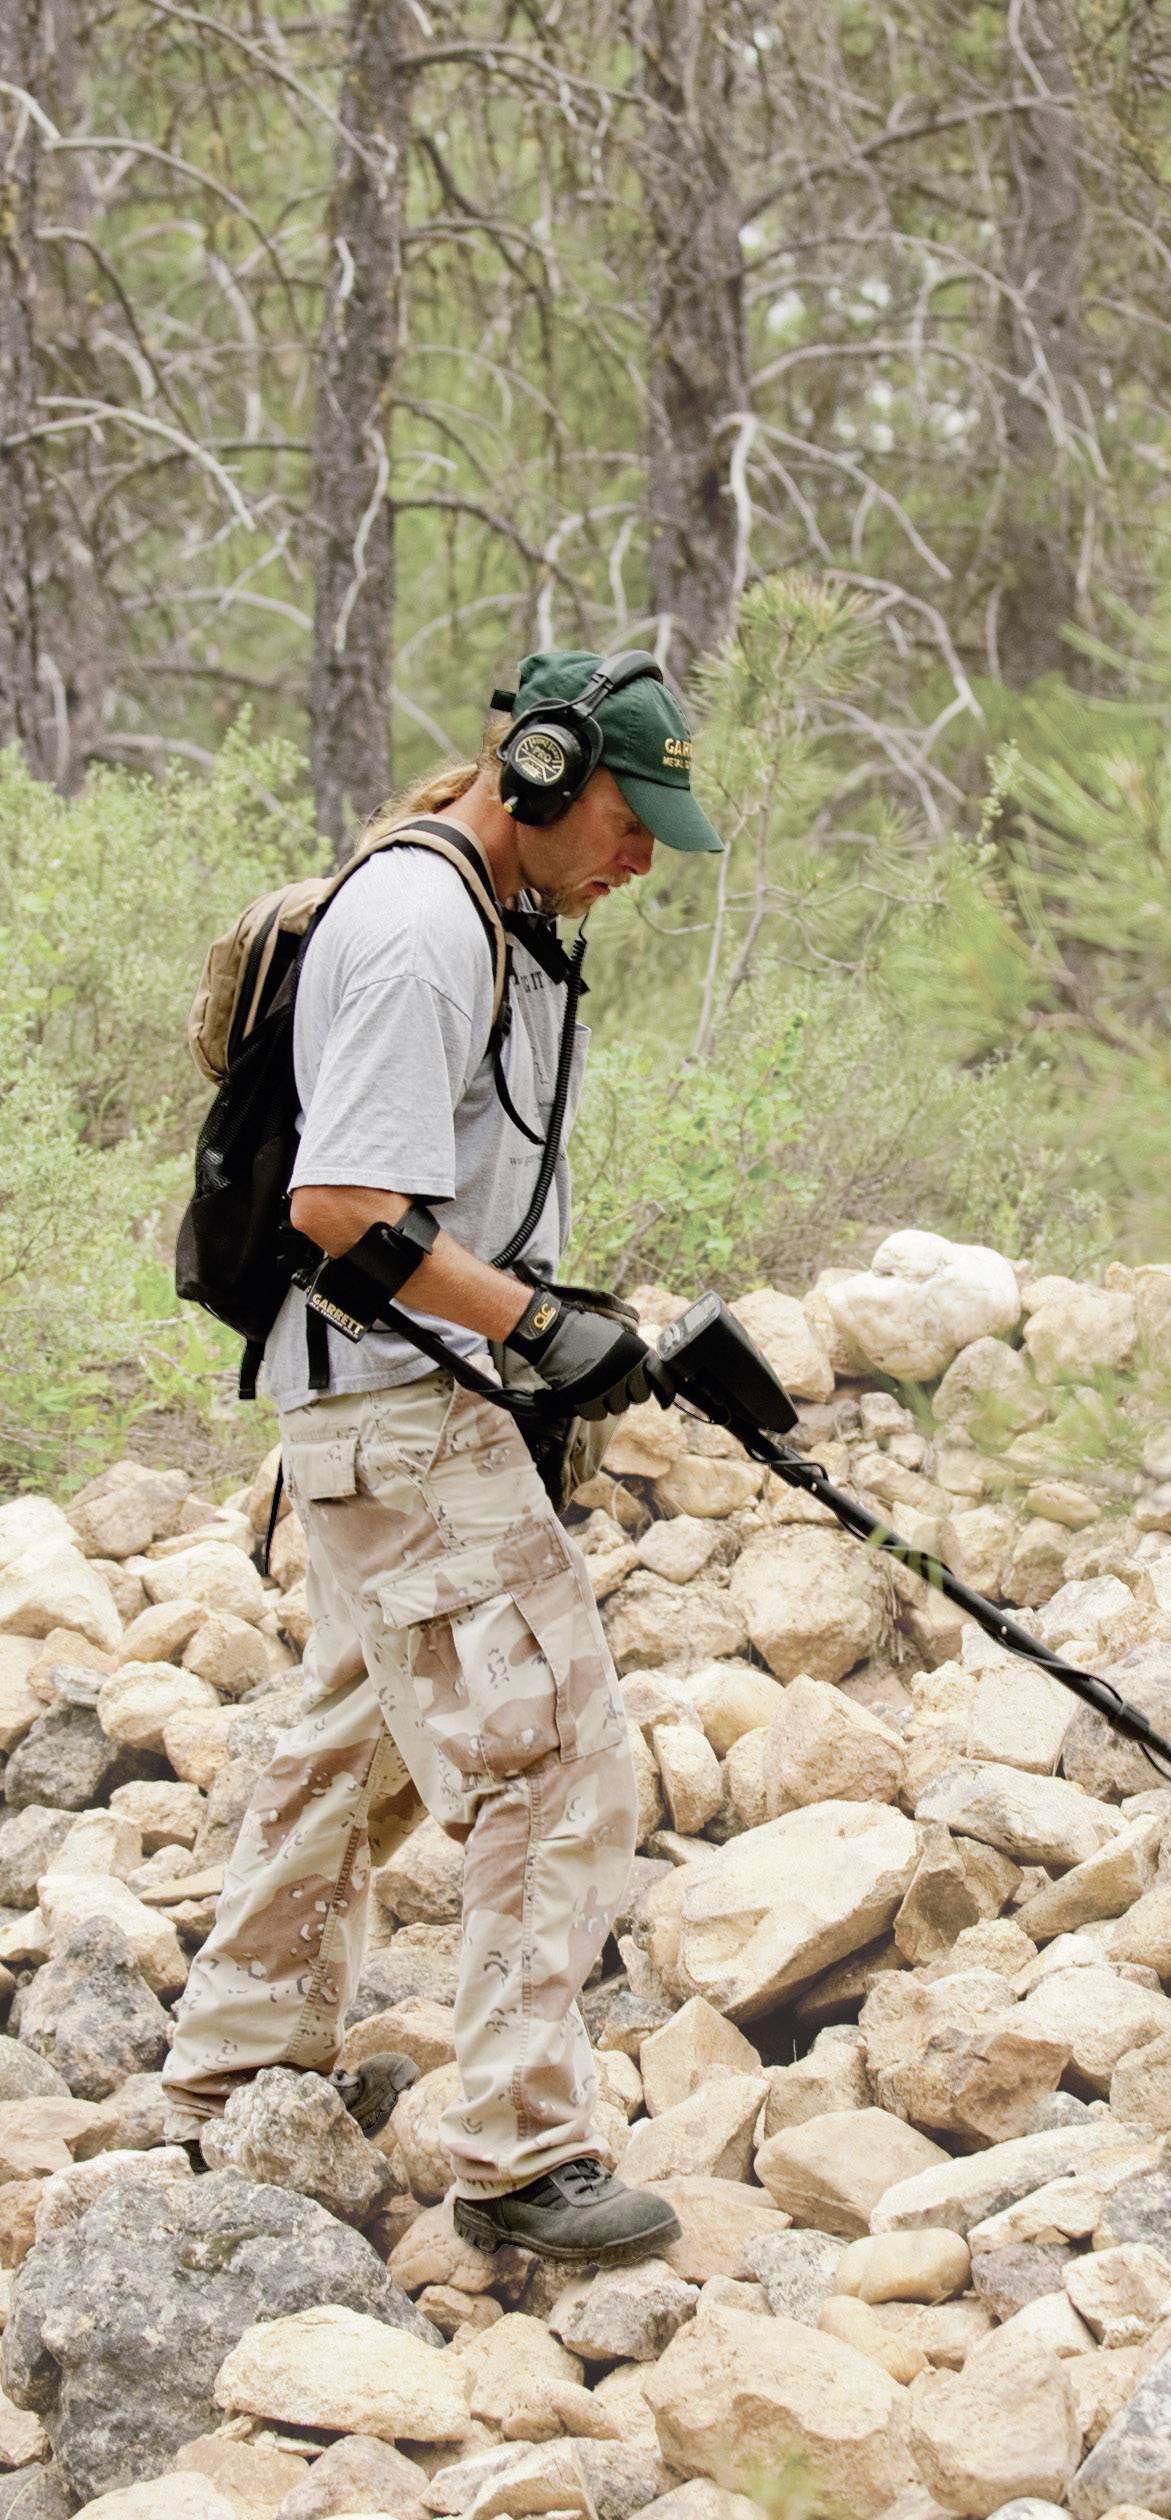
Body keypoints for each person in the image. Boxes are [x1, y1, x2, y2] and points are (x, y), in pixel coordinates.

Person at [161, 651, 724, 2263]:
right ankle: (521, 2156)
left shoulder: (495, 915)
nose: (640, 857)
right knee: (555, 1763)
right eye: (629, 819)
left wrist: (539, 1330)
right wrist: (539, 1328)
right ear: (541, 774)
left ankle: (235, 2066)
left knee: (366, 1737)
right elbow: (339, 1209)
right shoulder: (420, 930)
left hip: (389, 1403)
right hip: (397, 1405)